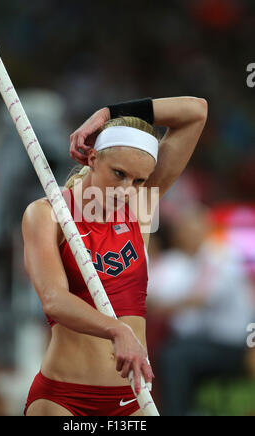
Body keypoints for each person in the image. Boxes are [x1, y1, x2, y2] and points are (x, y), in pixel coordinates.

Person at [22, 97, 208, 416]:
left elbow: (196, 112)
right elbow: (54, 299)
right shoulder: (48, 214)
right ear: (93, 157)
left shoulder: (139, 207)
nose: (126, 190)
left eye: (138, 181)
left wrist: (109, 113)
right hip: (64, 398)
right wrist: (117, 329)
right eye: (118, 173)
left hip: (131, 400)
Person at [147, 204, 255, 416]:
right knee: (171, 345)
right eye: (180, 230)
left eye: (187, 228)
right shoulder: (197, 259)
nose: (182, 235)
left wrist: (158, 308)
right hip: (212, 339)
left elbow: (199, 299)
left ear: (203, 227)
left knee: (176, 356)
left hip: (235, 345)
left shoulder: (219, 255)